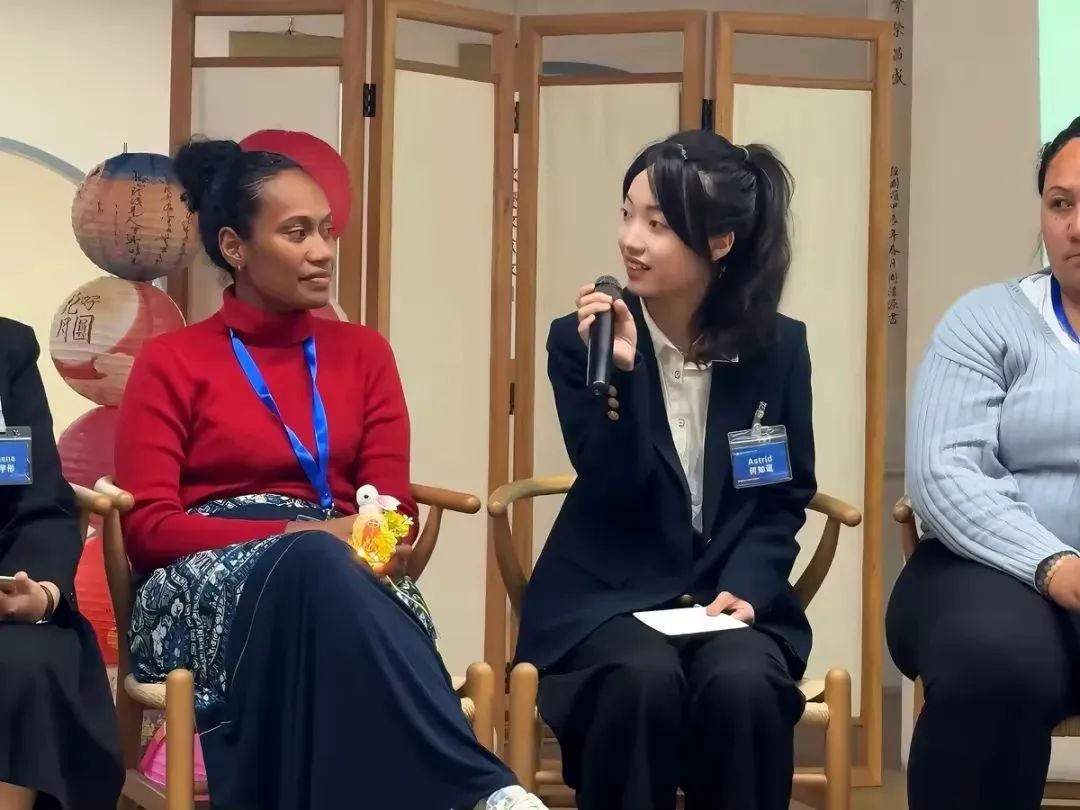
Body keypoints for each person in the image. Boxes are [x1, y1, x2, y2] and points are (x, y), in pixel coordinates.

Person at [114, 138, 546, 810]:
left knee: (333, 576)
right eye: (296, 233)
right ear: (234, 247)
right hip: (200, 587)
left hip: (342, 567)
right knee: (318, 561)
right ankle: (484, 790)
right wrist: (303, 535)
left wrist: (371, 543)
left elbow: (391, 509)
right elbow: (148, 531)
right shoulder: (172, 361)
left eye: (326, 230)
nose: (322, 251)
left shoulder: (364, 353)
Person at [515, 130, 814, 810]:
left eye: (658, 224)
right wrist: (620, 373)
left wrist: (749, 585)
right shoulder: (581, 339)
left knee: (744, 684)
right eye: (628, 215)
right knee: (639, 680)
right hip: (608, 596)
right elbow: (612, 484)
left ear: (720, 242)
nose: (631, 241)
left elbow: (781, 496)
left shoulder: (777, 347)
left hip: (724, 593)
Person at [887, 115, 1080, 810]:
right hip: (984, 577)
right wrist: (1054, 565)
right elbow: (943, 473)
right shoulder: (987, 321)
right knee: (997, 658)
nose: (1076, 226)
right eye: (1061, 203)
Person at [0, 319, 123, 810]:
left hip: (4, 608)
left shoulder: (6, 348)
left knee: (22, 664)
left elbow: (39, 501)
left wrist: (40, 591)